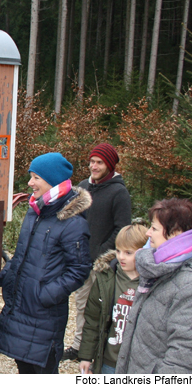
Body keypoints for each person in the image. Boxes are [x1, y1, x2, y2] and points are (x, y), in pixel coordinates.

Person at [0, 152, 92, 374]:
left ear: (52, 180)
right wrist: (8, 275)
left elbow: (80, 269)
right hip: (21, 305)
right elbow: (24, 252)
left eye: (36, 177)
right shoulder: (35, 210)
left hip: (44, 312)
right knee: (23, 365)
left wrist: (46, 294)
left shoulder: (72, 222)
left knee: (41, 370)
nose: (30, 183)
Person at [117, 199, 192, 374]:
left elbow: (186, 363)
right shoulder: (163, 266)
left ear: (176, 233)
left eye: (154, 228)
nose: (148, 233)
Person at [65, 143, 132, 362]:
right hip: (79, 258)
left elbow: (122, 229)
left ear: (109, 165)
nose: (94, 166)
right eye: (92, 161)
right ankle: (78, 346)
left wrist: (102, 254)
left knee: (95, 308)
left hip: (101, 262)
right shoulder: (84, 186)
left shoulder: (119, 192)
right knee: (80, 303)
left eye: (99, 162)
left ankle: (89, 350)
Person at [79, 225, 147, 374]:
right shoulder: (106, 278)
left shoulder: (151, 283)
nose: (121, 257)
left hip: (137, 363)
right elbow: (93, 321)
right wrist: (86, 356)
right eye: (118, 250)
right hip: (109, 360)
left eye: (128, 252)